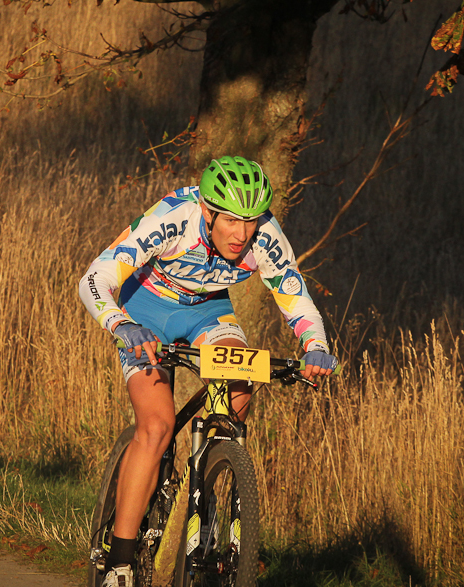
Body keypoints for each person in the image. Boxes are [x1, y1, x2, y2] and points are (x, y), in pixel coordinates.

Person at [78, 155, 338, 587]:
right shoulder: (173, 218)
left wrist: (317, 347)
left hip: (207, 312)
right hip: (144, 309)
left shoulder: (265, 236)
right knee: (157, 426)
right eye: (232, 221)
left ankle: (210, 477)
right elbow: (94, 278)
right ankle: (119, 561)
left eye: (251, 221)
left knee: (240, 387)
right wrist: (121, 324)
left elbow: (295, 296)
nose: (242, 234)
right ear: (207, 211)